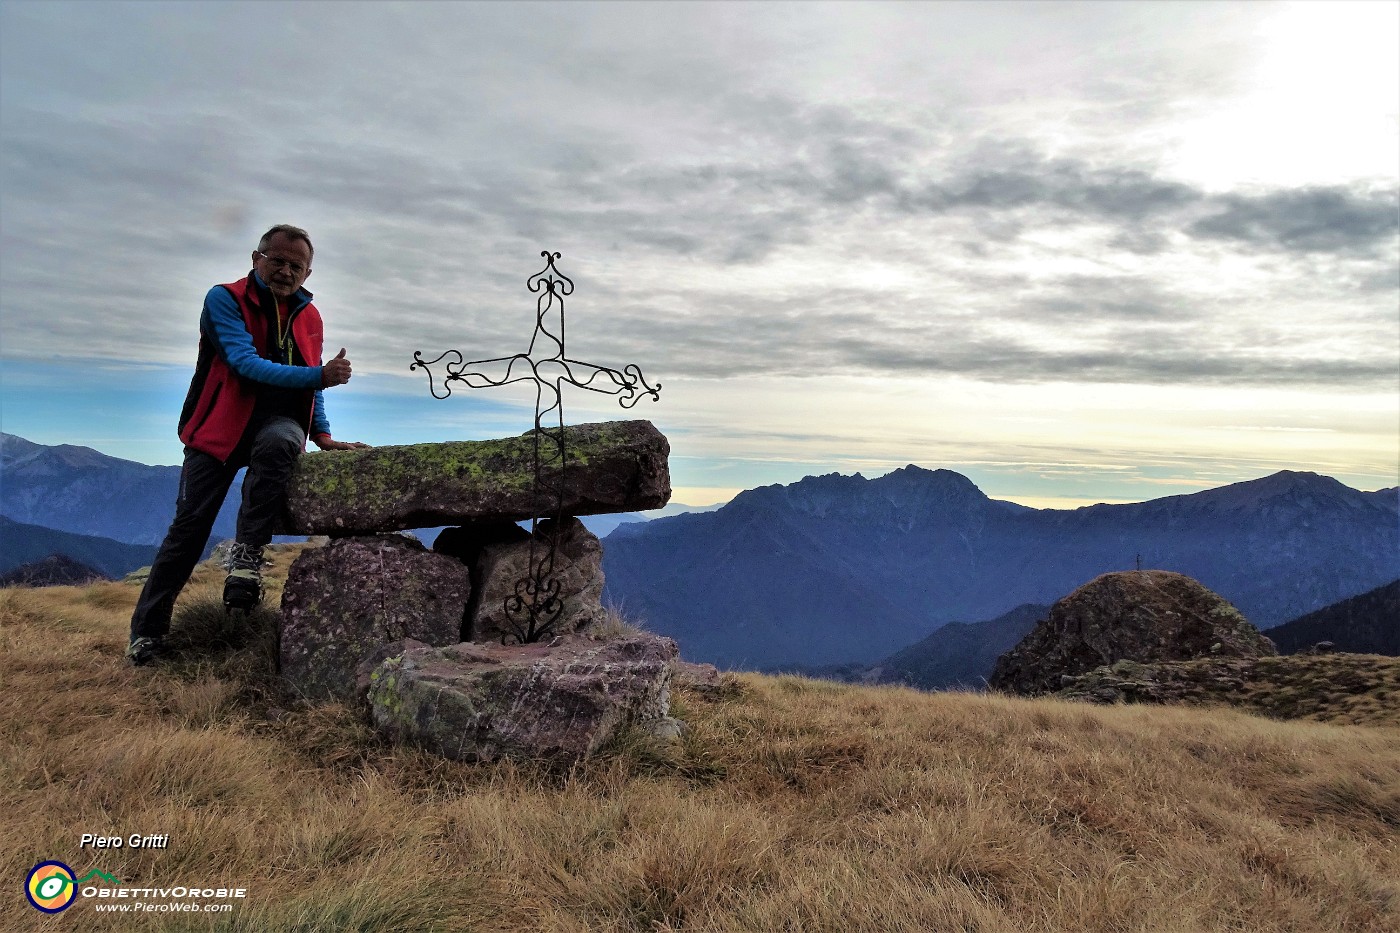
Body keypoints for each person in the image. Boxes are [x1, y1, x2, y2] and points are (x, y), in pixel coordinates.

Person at [127, 224, 369, 665]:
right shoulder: (224, 298)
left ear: (308, 272)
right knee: (188, 531)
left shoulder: (310, 316)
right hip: (219, 427)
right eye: (277, 260)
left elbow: (310, 386)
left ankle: (247, 558)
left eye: (296, 265)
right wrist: (319, 376)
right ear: (256, 259)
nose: (285, 271)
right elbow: (243, 363)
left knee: (280, 444)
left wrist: (324, 434)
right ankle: (147, 636)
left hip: (279, 423)